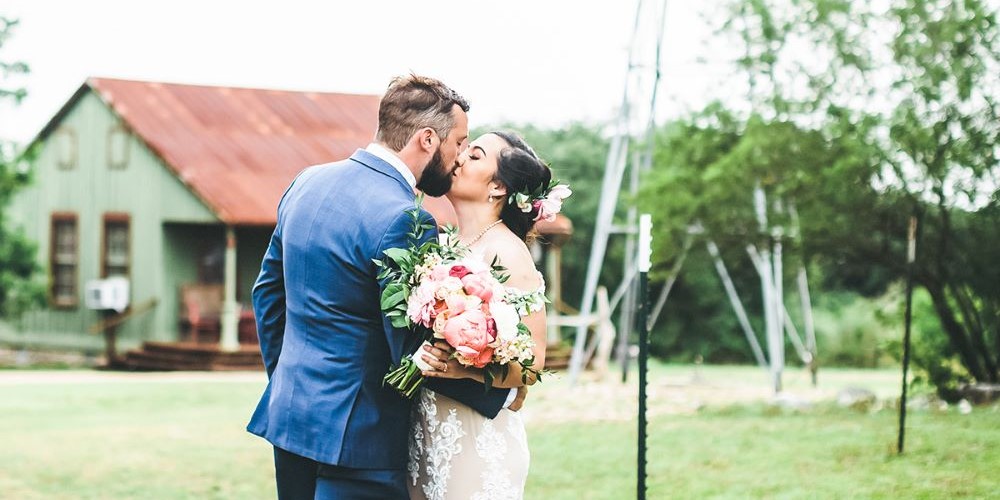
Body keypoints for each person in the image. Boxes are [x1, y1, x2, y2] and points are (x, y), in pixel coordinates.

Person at [247, 74, 518, 500]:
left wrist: (290, 380)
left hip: (291, 420)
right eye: (459, 142)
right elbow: (409, 348)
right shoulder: (405, 219)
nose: (459, 156)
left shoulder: (307, 182)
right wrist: (503, 386)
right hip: (360, 441)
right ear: (428, 139)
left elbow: (267, 297)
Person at [408, 131, 562, 500]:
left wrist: (461, 367)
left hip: (476, 438)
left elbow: (531, 365)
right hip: (427, 429)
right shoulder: (443, 245)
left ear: (497, 187)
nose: (459, 158)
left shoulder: (508, 253)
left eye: (474, 155)